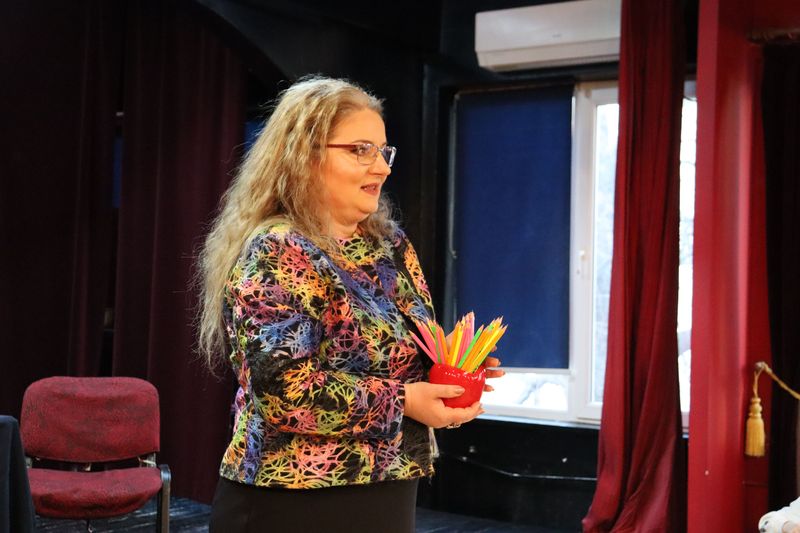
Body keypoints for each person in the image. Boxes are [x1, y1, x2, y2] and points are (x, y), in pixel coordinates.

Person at [197, 76, 503, 532]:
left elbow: (403, 358)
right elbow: (284, 392)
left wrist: (452, 372)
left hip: (389, 486)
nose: (382, 168)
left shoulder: (390, 246)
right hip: (293, 500)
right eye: (361, 150)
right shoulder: (279, 249)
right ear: (303, 156)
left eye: (383, 151)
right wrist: (406, 401)